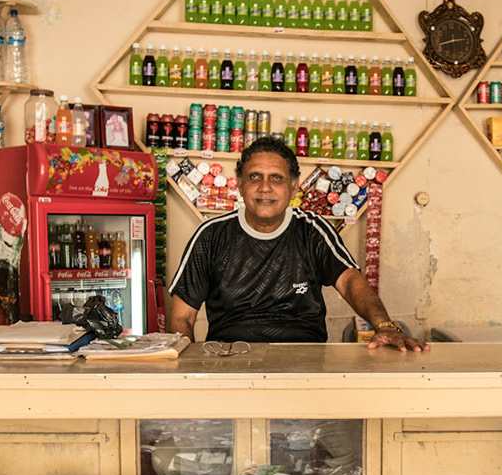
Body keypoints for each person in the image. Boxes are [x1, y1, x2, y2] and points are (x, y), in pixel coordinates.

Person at [167, 136, 428, 351]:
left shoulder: (311, 230)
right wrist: (189, 369)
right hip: (229, 360)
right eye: (255, 177)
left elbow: (349, 280)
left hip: (304, 361)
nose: (265, 187)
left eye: (277, 178)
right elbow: (182, 316)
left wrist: (383, 326)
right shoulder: (211, 235)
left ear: (293, 190)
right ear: (240, 186)